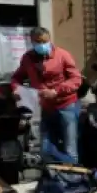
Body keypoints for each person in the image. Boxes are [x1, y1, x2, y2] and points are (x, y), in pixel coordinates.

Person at [11, 27, 83, 163]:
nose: (42, 45)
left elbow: (76, 79)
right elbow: (17, 77)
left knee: (70, 148)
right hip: (46, 108)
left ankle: (72, 178)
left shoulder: (63, 55)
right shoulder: (27, 58)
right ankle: (51, 176)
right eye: (38, 42)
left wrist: (56, 91)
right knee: (46, 147)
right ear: (32, 42)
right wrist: (16, 89)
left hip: (66, 105)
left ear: (49, 40)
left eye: (45, 41)